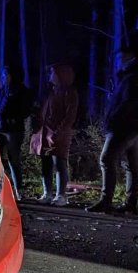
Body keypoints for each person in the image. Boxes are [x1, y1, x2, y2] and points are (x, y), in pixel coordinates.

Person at [88, 44, 138, 213]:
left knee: (107, 159)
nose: (117, 61)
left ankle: (106, 200)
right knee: (131, 164)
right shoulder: (128, 76)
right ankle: (131, 203)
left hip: (123, 127)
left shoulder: (131, 77)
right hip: (131, 127)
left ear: (129, 56)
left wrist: (114, 119)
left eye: (120, 57)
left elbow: (127, 103)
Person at [31, 63, 78, 206]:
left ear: (60, 75)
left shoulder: (69, 93)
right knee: (46, 163)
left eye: (53, 73)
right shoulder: (51, 91)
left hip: (58, 133)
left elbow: (70, 115)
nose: (50, 75)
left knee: (59, 163)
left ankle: (61, 195)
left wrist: (60, 131)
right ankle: (47, 193)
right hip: (45, 132)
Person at [0, 64, 34, 200]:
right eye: (3, 75)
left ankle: (19, 190)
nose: (4, 77)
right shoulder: (2, 91)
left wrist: (12, 118)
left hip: (13, 131)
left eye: (6, 74)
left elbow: (25, 111)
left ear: (14, 75)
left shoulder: (22, 91)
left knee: (13, 160)